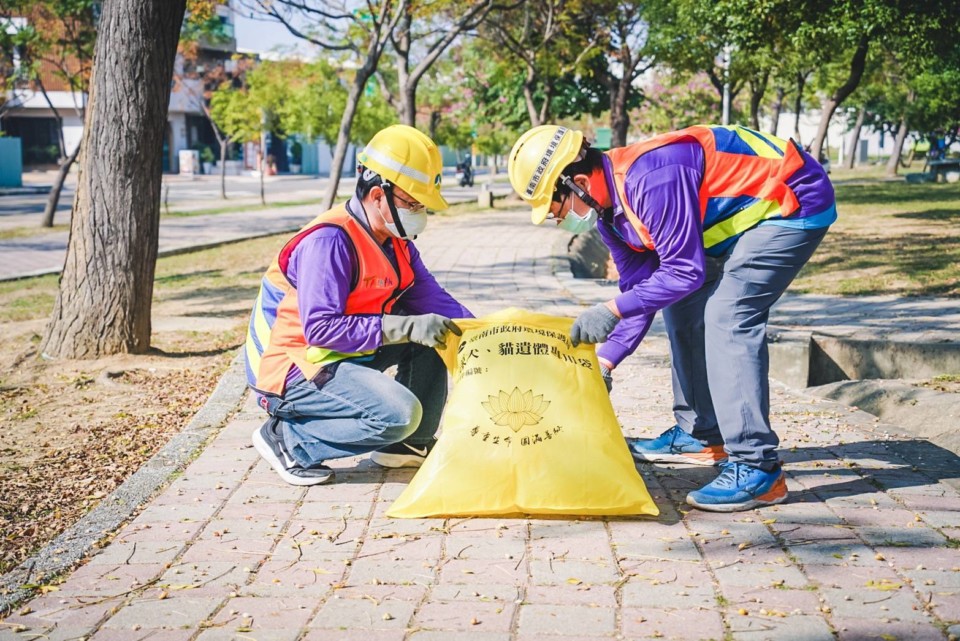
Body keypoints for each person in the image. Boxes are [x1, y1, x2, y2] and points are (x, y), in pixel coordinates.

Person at [507, 124, 836, 512]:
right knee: (682, 307)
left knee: (727, 317)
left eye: (555, 208)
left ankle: (757, 467)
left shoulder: (652, 178)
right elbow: (642, 295)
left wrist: (610, 310)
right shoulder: (611, 217)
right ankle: (701, 434)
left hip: (790, 199)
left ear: (579, 182)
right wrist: (604, 361)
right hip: (737, 219)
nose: (557, 219)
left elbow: (684, 271)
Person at [245, 124, 472, 486]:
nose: (418, 211)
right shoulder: (329, 241)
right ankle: (291, 441)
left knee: (436, 334)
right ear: (378, 194)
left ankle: (405, 447)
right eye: (411, 202)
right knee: (398, 413)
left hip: (342, 354)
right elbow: (320, 330)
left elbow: (437, 303)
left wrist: (486, 336)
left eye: (421, 204)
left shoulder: (396, 242)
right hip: (295, 369)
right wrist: (406, 326)